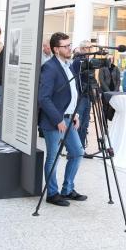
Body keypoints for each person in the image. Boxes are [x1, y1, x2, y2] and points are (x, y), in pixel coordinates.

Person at [38, 32, 86, 207]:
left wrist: (75, 115)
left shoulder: (69, 65)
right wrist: (58, 119)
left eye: (70, 44)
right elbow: (44, 98)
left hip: (69, 118)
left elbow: (72, 94)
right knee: (53, 158)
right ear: (56, 49)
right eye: (66, 46)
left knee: (77, 152)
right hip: (54, 121)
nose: (69, 48)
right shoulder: (49, 68)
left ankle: (67, 189)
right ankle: (52, 193)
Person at [71, 40, 92, 149]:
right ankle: (75, 148)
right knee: (78, 123)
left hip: (88, 95)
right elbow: (76, 79)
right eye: (88, 48)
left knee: (85, 124)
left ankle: (81, 148)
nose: (90, 50)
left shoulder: (89, 62)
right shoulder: (78, 61)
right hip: (80, 96)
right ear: (83, 49)